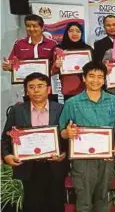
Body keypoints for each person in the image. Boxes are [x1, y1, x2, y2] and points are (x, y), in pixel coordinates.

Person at [59, 61, 115, 212]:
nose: (96, 80)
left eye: (100, 77)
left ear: (105, 79)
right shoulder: (72, 103)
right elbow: (62, 131)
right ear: (84, 78)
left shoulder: (114, 102)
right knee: (84, 202)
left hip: (107, 159)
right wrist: (67, 133)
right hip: (82, 161)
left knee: (104, 201)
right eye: (91, 76)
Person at [1, 73, 68, 212]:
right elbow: (6, 138)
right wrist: (7, 156)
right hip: (28, 167)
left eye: (40, 86)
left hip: (54, 166)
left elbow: (67, 137)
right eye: (31, 87)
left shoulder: (61, 109)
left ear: (49, 89)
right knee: (32, 206)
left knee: (56, 205)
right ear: (26, 91)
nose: (36, 90)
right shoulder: (17, 110)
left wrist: (63, 153)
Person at [51, 22, 94, 100]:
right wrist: (56, 66)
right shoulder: (59, 49)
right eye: (71, 31)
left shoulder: (88, 49)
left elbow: (94, 68)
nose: (74, 33)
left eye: (78, 31)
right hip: (69, 89)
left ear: (81, 33)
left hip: (87, 88)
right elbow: (53, 71)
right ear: (66, 32)